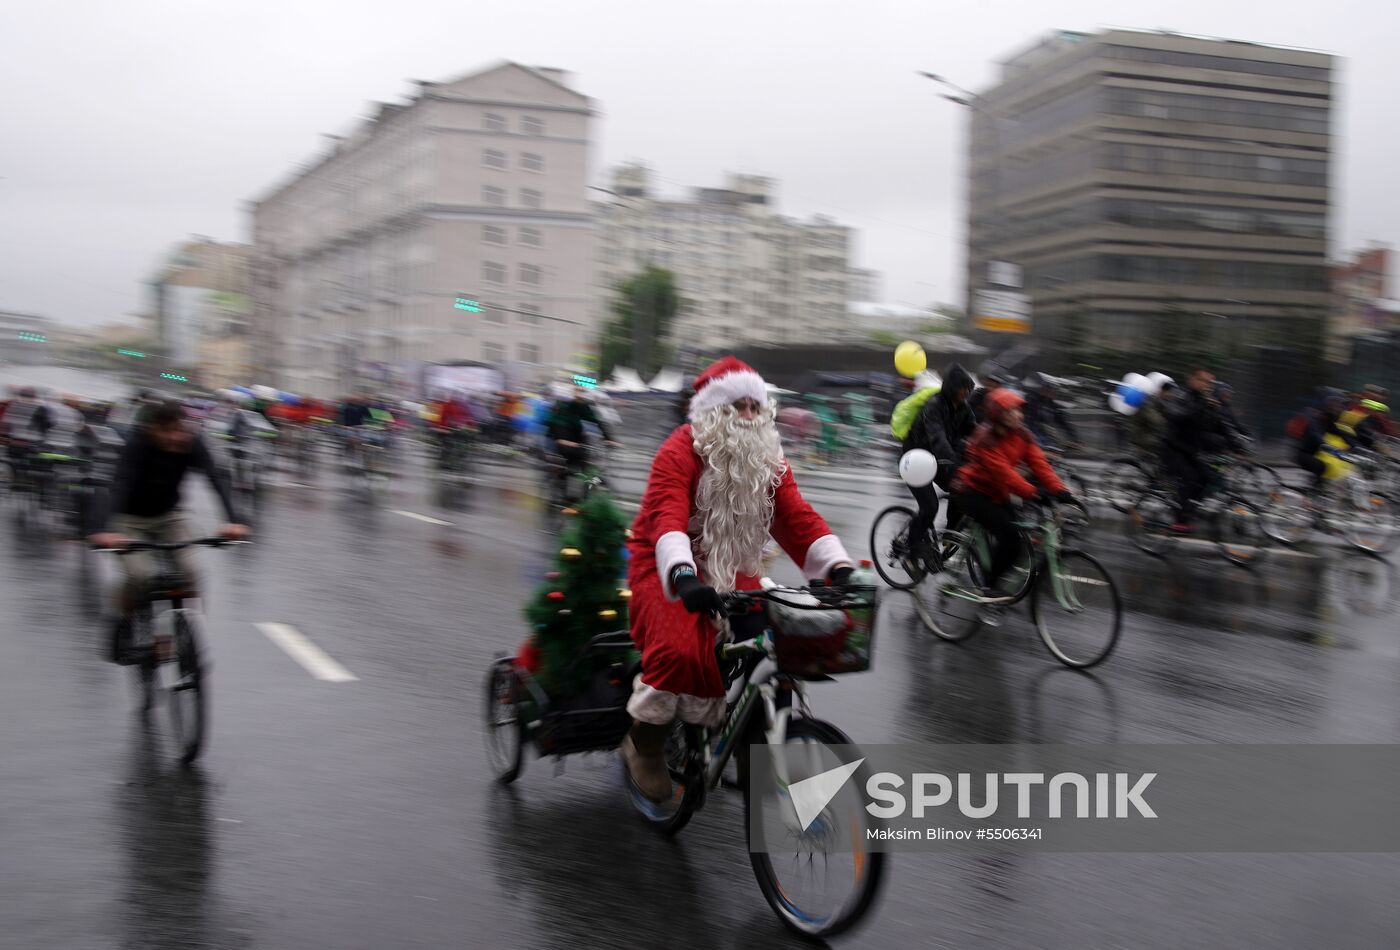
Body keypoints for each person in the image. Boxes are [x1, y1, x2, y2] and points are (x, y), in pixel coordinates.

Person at [622, 357, 854, 801]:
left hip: (733, 569)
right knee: (679, 651)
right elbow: (667, 516)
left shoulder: (769, 459)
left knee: (777, 639)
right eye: (737, 406)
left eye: (754, 406)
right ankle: (644, 744)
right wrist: (683, 575)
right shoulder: (679, 449)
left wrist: (836, 566)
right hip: (665, 564)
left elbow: (795, 516)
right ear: (713, 411)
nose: (748, 415)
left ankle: (757, 746)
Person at [88, 401, 249, 663]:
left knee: (190, 572)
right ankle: (122, 619)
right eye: (167, 431)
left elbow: (217, 477)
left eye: (179, 429)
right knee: (141, 575)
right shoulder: (137, 444)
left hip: (169, 517)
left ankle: (190, 632)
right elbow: (119, 484)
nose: (176, 437)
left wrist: (234, 521)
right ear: (152, 429)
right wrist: (103, 530)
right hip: (130, 520)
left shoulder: (192, 442)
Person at [951, 388, 1073, 599]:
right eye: (1011, 411)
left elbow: (1039, 464)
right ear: (998, 415)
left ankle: (992, 572)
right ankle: (989, 587)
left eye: (1018, 410)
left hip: (997, 493)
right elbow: (1005, 475)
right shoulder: (985, 439)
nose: (1018, 415)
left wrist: (1060, 490)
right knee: (1011, 538)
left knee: (1017, 537)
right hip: (973, 492)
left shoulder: (1023, 434)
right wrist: (1035, 493)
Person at [900, 363, 977, 557]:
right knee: (930, 506)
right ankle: (911, 550)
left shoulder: (963, 408)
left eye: (969, 389)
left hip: (936, 459)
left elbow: (976, 433)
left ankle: (951, 535)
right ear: (953, 387)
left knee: (961, 488)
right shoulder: (934, 406)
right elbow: (938, 438)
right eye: (964, 388)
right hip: (915, 459)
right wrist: (953, 462)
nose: (967, 393)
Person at [1160, 368, 1230, 532]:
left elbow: (1212, 427)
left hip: (1191, 449)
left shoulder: (1205, 401)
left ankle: (1188, 510)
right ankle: (1179, 519)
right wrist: (1202, 406)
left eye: (1210, 382)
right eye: (1204, 381)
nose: (1208, 385)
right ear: (1192, 380)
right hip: (1173, 448)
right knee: (1190, 479)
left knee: (1206, 479)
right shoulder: (1180, 396)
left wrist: (1213, 412)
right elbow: (1178, 416)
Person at [545, 383, 618, 494]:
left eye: (583, 392)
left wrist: (609, 438)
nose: (580, 394)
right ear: (572, 392)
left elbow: (597, 421)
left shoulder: (584, 406)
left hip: (575, 438)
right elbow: (554, 423)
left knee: (587, 460)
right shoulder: (563, 405)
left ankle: (587, 487)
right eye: (578, 391)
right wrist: (563, 440)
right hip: (561, 438)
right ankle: (563, 486)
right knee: (573, 460)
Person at [1022, 373, 1079, 450]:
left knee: (1054, 438)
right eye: (1052, 389)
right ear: (1043, 389)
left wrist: (1074, 439)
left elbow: (1062, 421)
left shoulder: (1049, 402)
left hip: (1040, 432)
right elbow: (1030, 424)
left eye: (1055, 390)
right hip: (1027, 433)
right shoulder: (1031, 400)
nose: (1055, 392)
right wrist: (1045, 443)